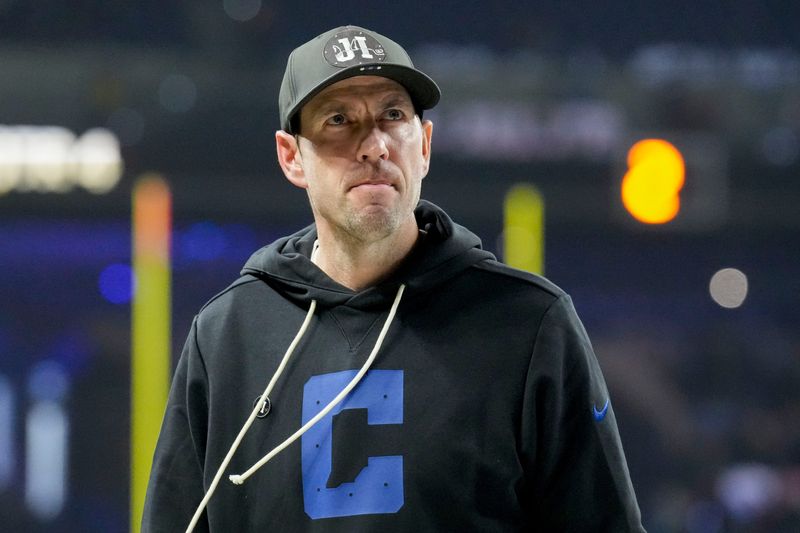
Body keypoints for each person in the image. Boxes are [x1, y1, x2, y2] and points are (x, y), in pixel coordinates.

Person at [142, 25, 645, 532]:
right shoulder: (228, 335)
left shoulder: (529, 325)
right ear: (291, 156)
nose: (375, 144)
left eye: (393, 115)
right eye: (340, 120)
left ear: (423, 145)